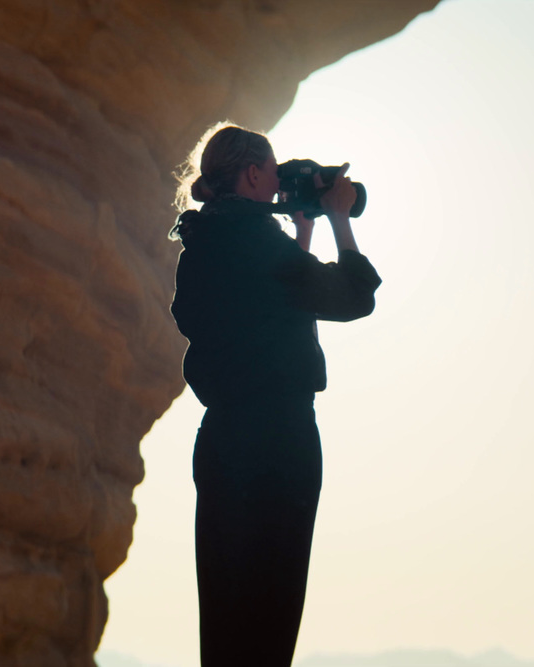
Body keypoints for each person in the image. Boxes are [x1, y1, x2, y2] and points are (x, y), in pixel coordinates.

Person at [169, 124, 381, 666]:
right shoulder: (262, 244)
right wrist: (336, 215)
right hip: (279, 445)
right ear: (255, 173)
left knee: (224, 626)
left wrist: (299, 234)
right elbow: (354, 296)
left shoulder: (201, 243)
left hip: (221, 442)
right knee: (270, 622)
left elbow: (270, 303)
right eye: (272, 174)